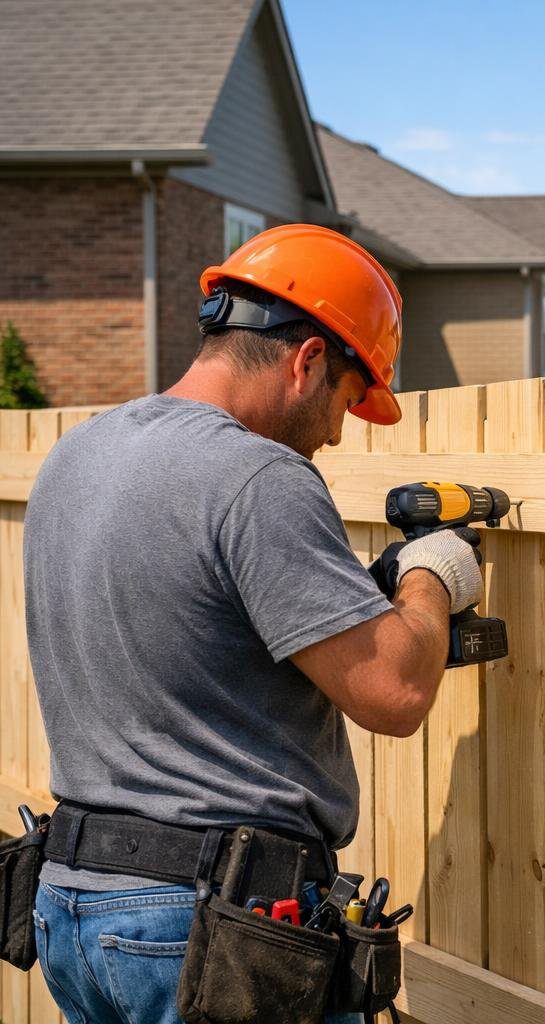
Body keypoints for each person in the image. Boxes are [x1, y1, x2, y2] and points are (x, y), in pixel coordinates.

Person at [23, 224, 482, 1024]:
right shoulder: (258, 477)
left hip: (73, 908)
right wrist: (431, 573)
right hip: (204, 932)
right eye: (345, 399)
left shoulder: (76, 456)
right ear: (307, 360)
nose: (338, 432)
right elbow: (395, 693)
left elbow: (195, 629)